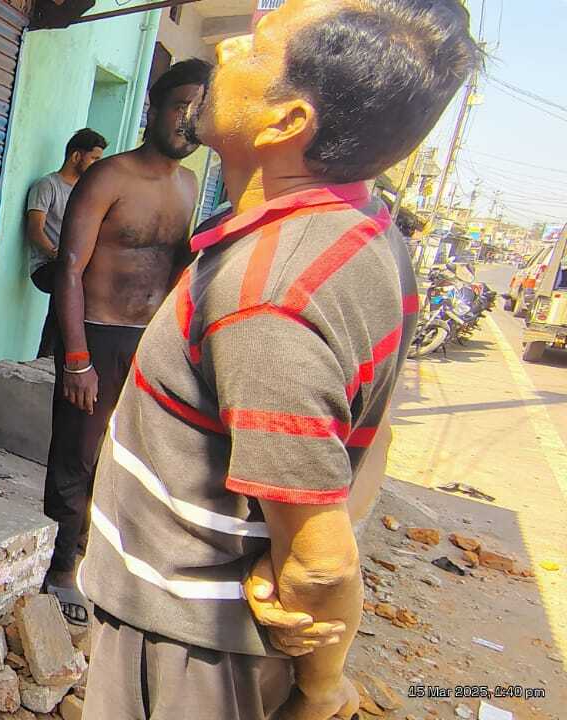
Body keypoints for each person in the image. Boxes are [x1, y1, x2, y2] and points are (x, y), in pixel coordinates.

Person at [78, 1, 478, 718]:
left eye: (257, 47)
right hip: (207, 632)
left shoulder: (267, 299)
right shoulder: (365, 231)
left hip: (188, 644)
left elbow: (319, 565)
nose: (227, 49)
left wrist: (323, 687)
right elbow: (370, 435)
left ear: (286, 121)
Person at [42, 59, 211, 623]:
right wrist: (76, 359)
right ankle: (61, 568)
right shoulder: (108, 177)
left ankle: (97, 556)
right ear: (152, 109)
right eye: (180, 106)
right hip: (98, 336)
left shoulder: (189, 185)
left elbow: (176, 268)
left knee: (127, 457)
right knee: (77, 454)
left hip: (152, 342)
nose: (188, 121)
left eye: (199, 110)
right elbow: (69, 269)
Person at [30, 129, 109, 359]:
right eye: (94, 158)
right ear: (76, 156)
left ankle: (69, 357)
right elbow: (34, 230)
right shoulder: (48, 185)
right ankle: (46, 356)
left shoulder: (87, 192)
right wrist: (58, 255)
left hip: (74, 266)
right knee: (68, 283)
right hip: (47, 265)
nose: (97, 165)